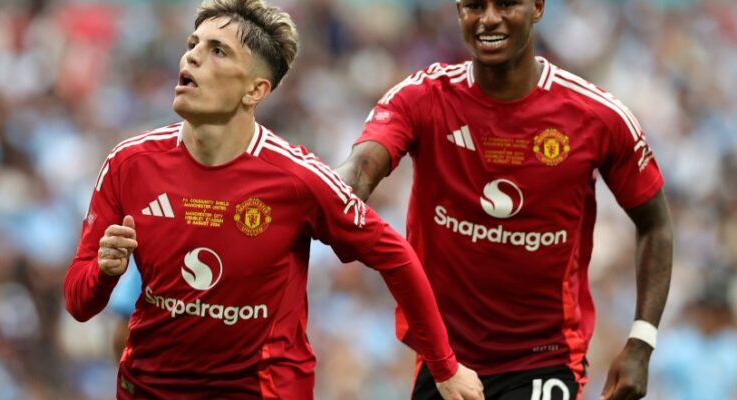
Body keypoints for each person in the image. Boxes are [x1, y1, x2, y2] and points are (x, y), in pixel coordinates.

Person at [62, 0, 483, 398]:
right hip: (150, 389)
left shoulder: (298, 179)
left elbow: (395, 256)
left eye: (217, 51)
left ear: (255, 91)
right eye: (193, 44)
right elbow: (78, 303)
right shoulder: (129, 164)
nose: (191, 57)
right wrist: (103, 272)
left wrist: (444, 367)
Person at [335, 1, 673, 399]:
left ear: (538, 7)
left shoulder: (598, 116)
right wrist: (334, 190)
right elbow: (361, 167)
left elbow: (655, 223)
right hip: (445, 361)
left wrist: (642, 340)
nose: (489, 18)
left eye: (507, 3)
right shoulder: (422, 98)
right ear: (459, 11)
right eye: (475, 5)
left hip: (545, 358)